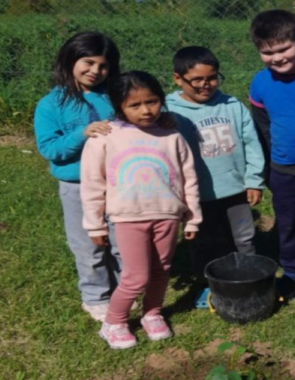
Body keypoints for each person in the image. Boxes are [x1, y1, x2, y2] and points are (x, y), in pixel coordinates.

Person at [81, 71, 202, 349]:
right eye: (134, 105)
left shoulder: (172, 135)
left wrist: (193, 218)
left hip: (168, 216)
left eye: (152, 101)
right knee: (136, 277)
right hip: (128, 219)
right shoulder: (105, 137)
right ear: (118, 106)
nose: (146, 110)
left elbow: (189, 178)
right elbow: (92, 184)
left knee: (162, 270)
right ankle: (114, 322)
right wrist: (95, 225)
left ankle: (152, 313)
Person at [33, 31, 122, 322]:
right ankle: (96, 296)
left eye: (104, 65)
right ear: (69, 59)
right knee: (88, 244)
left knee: (121, 240)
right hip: (78, 187)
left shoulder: (116, 96)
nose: (95, 71)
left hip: (119, 184)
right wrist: (81, 133)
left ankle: (124, 290)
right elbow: (50, 149)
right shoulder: (51, 104)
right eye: (88, 62)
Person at [166, 46, 265, 298]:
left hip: (236, 189)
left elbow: (251, 143)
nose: (206, 85)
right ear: (178, 78)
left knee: (244, 237)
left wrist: (253, 180)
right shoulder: (168, 111)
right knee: (202, 243)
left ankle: (250, 276)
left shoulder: (232, 105)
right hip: (195, 195)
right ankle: (206, 284)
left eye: (212, 77)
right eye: (197, 80)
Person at [248, 9, 295, 304]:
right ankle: (293, 270)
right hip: (284, 167)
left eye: (284, 49)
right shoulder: (260, 82)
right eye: (268, 53)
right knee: (289, 220)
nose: (277, 57)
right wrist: (269, 166)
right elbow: (262, 125)